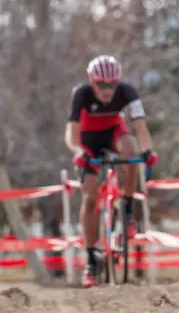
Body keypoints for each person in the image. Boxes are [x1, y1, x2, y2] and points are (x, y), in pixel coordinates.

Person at [65, 55, 158, 287]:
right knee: (90, 197)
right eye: (102, 85)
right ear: (92, 82)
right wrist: (78, 151)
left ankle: (126, 208)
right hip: (88, 142)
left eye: (112, 84)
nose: (107, 90)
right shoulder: (81, 94)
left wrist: (147, 151)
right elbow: (71, 134)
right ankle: (90, 258)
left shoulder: (127, 92)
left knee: (131, 149)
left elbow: (140, 127)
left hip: (113, 134)